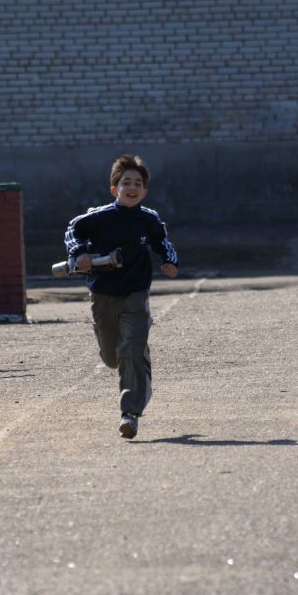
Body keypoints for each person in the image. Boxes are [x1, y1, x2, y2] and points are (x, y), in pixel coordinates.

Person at [64, 154, 179, 439]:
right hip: (103, 293)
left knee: (131, 349)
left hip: (136, 292)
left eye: (138, 183)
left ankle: (130, 413)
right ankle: (131, 359)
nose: (132, 187)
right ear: (114, 189)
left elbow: (162, 242)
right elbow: (72, 231)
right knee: (112, 357)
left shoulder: (149, 219)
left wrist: (170, 261)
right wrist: (80, 254)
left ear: (145, 191)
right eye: (126, 182)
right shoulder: (99, 217)